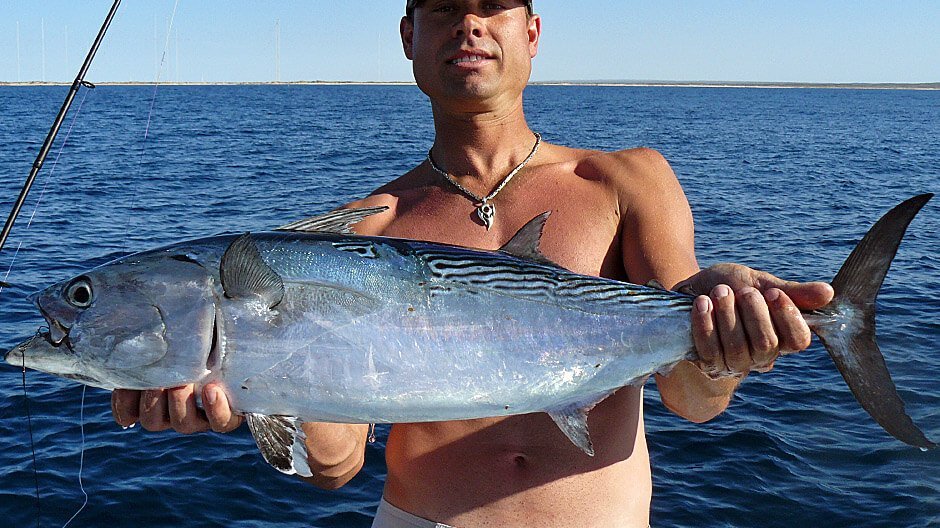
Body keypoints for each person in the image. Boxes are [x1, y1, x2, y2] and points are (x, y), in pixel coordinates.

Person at [111, 1, 834, 526]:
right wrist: (255, 387)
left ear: (532, 32)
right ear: (408, 35)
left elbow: (692, 400)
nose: (470, 25)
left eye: (493, 6)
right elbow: (336, 467)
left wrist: (725, 345)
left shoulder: (625, 181)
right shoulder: (370, 224)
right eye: (446, 8)